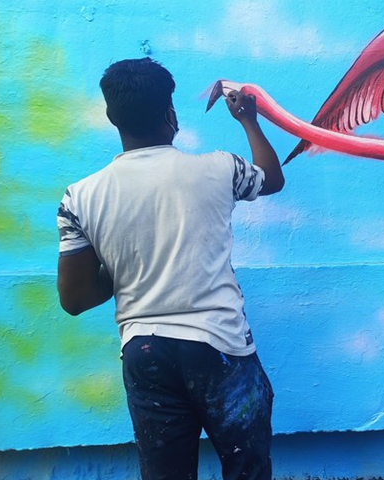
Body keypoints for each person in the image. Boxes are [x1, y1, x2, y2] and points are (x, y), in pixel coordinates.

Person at [56, 57, 283, 480]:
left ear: (111, 116)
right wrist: (248, 121)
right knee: (247, 468)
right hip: (221, 347)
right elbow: (271, 178)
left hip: (145, 351)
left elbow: (75, 298)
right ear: (170, 114)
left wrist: (127, 260)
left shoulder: (79, 198)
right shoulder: (219, 168)